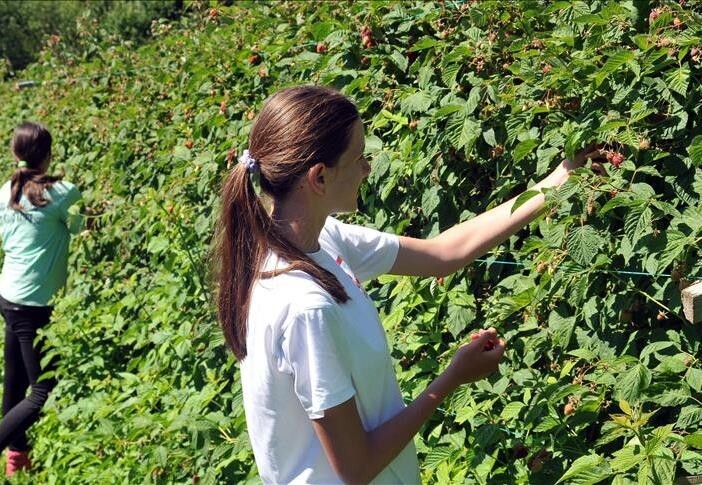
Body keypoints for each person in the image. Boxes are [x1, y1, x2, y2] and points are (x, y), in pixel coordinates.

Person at [211, 86, 602, 484]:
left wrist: (557, 181)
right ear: (319, 177)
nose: (367, 169)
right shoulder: (304, 306)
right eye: (359, 157)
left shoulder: (307, 242)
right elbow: (356, 468)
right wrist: (451, 379)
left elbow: (444, 253)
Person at [0, 122, 83, 485]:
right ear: (48, 153)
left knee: (14, 383)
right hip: (32, 305)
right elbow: (80, 223)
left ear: (15, 153)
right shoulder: (61, 192)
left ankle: (18, 459)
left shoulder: (4, 192)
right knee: (43, 389)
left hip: (7, 297)